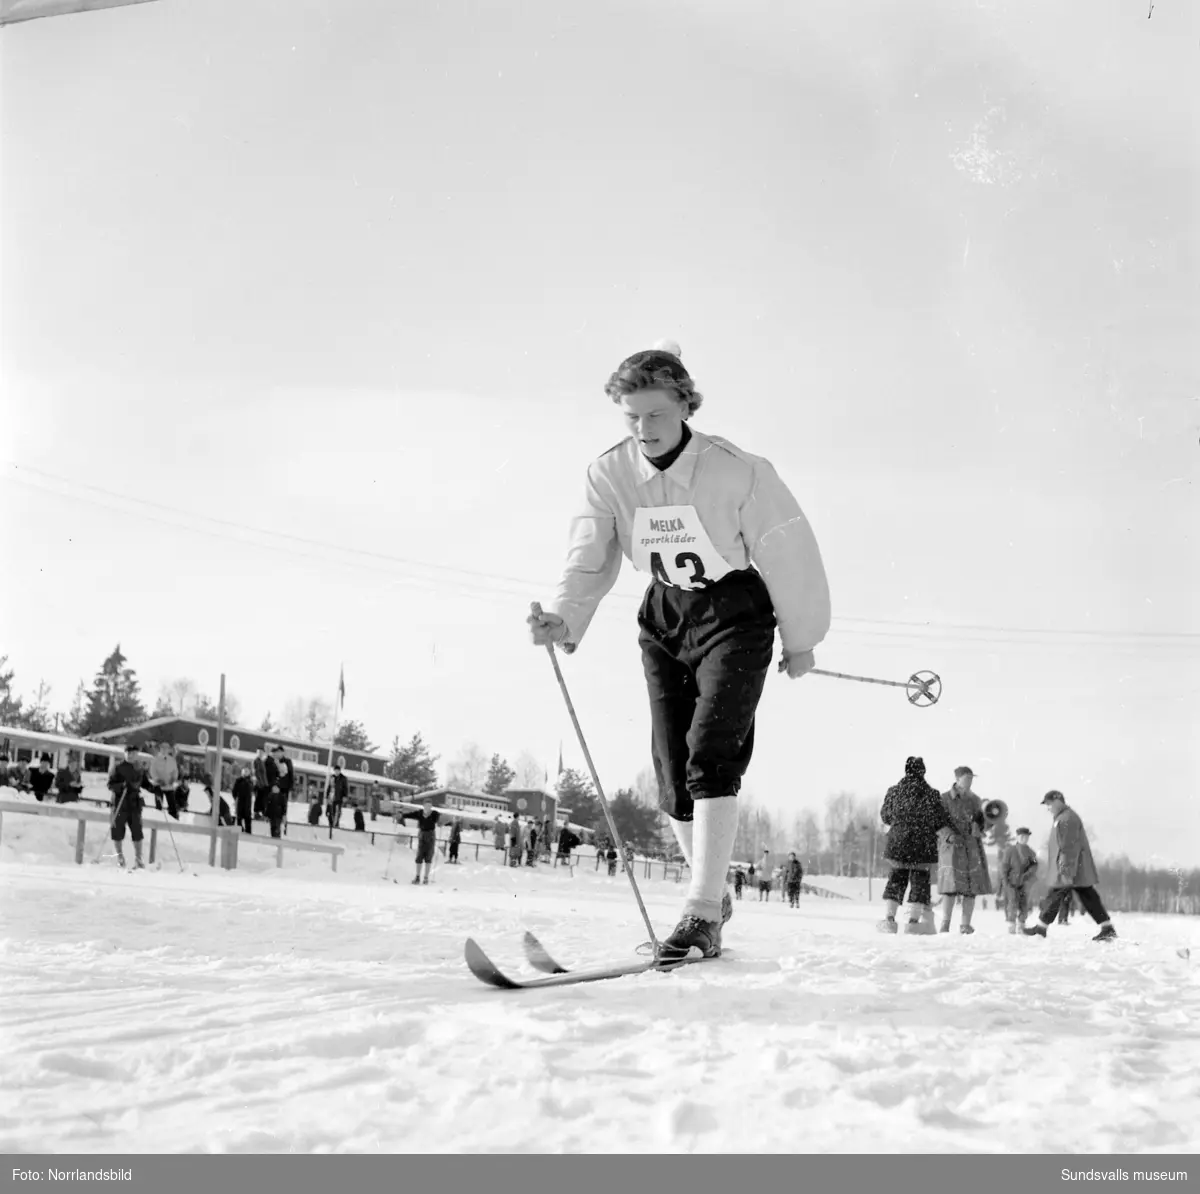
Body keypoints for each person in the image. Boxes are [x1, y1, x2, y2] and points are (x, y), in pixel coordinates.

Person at [528, 342, 830, 960]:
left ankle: (700, 912)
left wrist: (801, 638)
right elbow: (590, 553)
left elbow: (787, 550)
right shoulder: (608, 475)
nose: (644, 430)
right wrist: (562, 616)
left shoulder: (737, 469)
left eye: (656, 415)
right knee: (671, 764)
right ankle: (711, 893)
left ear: (685, 406)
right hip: (665, 612)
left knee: (711, 749)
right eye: (631, 417)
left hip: (735, 611)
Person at [1024, 791, 1116, 942]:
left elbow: (1068, 846)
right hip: (1073, 866)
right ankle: (1107, 928)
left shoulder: (1067, 818)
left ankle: (1041, 928)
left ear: (1057, 800)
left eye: (1048, 804)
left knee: (1056, 894)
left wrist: (1065, 865)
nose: (1048, 808)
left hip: (1069, 866)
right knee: (1087, 895)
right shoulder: (1063, 817)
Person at [878, 756, 952, 934]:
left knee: (896, 879)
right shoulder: (932, 794)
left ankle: (889, 920)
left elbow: (886, 816)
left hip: (899, 843)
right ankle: (913, 922)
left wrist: (902, 823)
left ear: (906, 771)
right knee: (920, 882)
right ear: (923, 772)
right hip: (922, 844)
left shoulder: (894, 792)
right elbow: (939, 820)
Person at [936, 766, 992, 934]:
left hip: (971, 847)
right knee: (950, 888)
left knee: (971, 888)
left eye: (971, 779)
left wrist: (982, 826)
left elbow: (983, 823)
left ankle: (965, 925)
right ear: (957, 779)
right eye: (966, 778)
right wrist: (948, 835)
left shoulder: (976, 801)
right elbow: (936, 822)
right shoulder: (944, 799)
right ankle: (945, 924)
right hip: (951, 847)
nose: (969, 782)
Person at [107, 744, 146, 869]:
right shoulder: (118, 768)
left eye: (133, 753)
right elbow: (110, 784)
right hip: (120, 802)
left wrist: (155, 790)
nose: (130, 755)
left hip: (134, 804)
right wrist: (121, 786)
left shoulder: (139, 768)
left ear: (137, 754)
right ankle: (120, 857)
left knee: (137, 831)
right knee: (117, 831)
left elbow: (145, 783)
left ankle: (138, 859)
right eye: (128, 753)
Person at [1000, 827, 1038, 934]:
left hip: (1025, 883)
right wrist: (1005, 881)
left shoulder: (1031, 852)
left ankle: (1021, 925)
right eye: (1022, 837)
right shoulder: (1010, 850)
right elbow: (1004, 867)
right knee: (1012, 903)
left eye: (1026, 837)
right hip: (1011, 882)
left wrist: (1029, 873)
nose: (1024, 839)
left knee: (1024, 905)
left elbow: (1035, 865)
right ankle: (1011, 926)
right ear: (1017, 837)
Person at [412, 798, 440, 885]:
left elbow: (439, 819)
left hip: (431, 835)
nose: (428, 807)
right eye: (427, 805)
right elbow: (411, 815)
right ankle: (417, 877)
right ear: (423, 805)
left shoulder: (435, 814)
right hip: (422, 835)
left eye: (430, 805)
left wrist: (441, 821)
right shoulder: (420, 813)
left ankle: (426, 878)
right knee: (419, 856)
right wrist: (401, 815)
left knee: (428, 857)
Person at [233, 766, 254, 834]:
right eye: (244, 771)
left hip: (247, 803)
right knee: (239, 818)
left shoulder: (250, 782)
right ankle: (240, 831)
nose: (245, 773)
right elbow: (234, 791)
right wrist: (236, 798)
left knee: (247, 818)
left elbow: (251, 789)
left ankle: (248, 832)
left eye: (247, 772)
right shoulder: (238, 781)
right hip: (240, 802)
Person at [253, 747, 270, 821]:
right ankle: (256, 814)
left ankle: (262, 813)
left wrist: (266, 783)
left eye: (261, 753)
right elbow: (257, 773)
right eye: (259, 752)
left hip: (264, 784)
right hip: (259, 784)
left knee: (263, 800)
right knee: (258, 799)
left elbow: (264, 774)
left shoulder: (262, 761)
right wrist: (260, 783)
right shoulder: (256, 761)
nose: (260, 754)